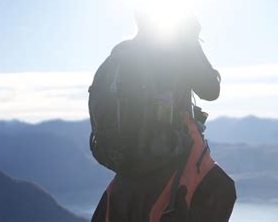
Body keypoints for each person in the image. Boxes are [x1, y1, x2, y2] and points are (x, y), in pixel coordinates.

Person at [89, 13, 236, 222]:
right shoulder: (176, 50)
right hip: (170, 162)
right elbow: (211, 89)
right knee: (221, 189)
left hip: (128, 170)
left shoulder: (119, 56)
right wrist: (191, 40)